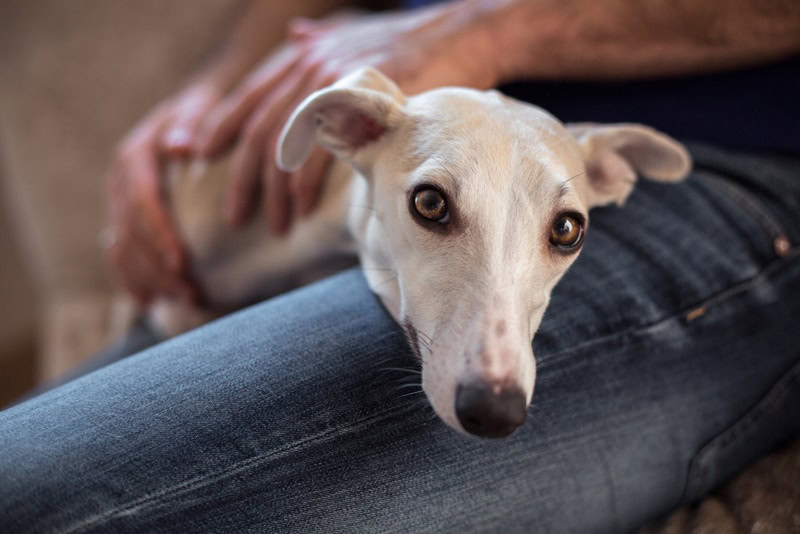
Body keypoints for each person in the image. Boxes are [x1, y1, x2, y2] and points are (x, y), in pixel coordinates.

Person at [2, 0, 799, 531]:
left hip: (740, 175)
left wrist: (487, 29)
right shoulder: (367, 142)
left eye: (565, 233)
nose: (497, 373)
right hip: (427, 114)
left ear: (605, 188)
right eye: (434, 209)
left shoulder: (602, 175)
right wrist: (209, 98)